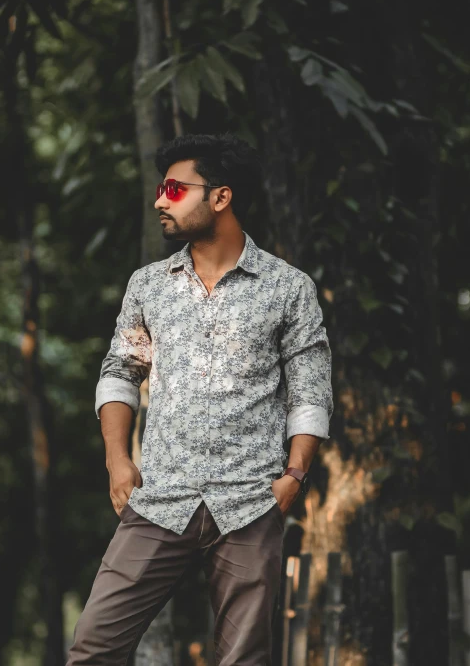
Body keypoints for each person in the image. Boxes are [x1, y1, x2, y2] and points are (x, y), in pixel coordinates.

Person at [66, 133, 334, 666]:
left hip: (250, 504)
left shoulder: (288, 288)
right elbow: (120, 371)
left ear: (221, 197)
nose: (160, 201)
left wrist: (294, 477)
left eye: (174, 188)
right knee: (93, 648)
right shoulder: (149, 286)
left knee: (243, 660)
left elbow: (310, 389)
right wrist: (118, 462)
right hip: (160, 497)